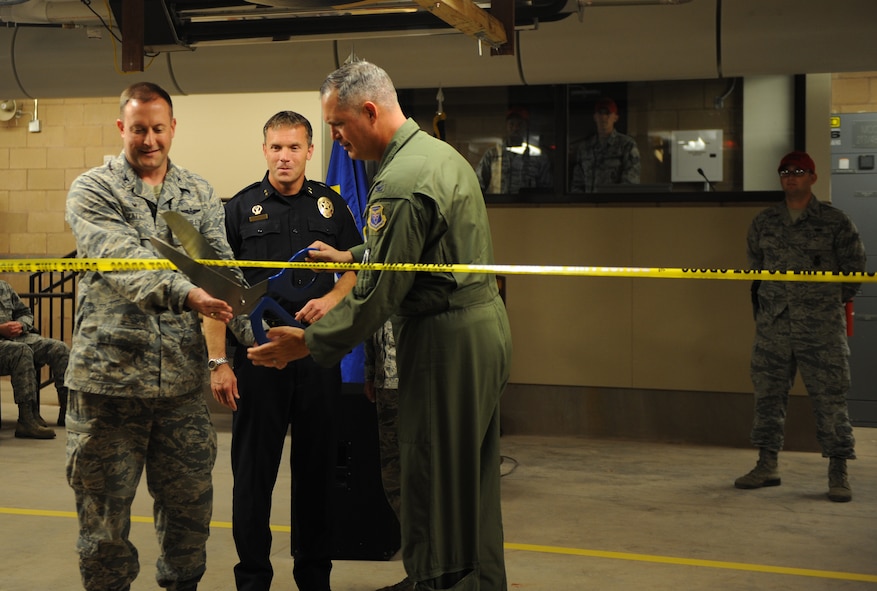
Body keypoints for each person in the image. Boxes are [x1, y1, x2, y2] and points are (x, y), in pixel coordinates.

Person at [247, 61, 513, 591]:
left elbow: (378, 298)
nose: (337, 139)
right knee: (470, 478)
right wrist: (353, 251)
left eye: (339, 125)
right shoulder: (436, 156)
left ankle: (435, 580)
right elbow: (417, 245)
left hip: (444, 340)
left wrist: (310, 342)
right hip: (479, 329)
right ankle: (473, 581)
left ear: (369, 111)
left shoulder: (398, 181)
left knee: (430, 473)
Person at [64, 81, 237, 591]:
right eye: (138, 129)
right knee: (103, 526)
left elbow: (221, 268)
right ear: (122, 127)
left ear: (173, 128)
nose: (149, 140)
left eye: (158, 129)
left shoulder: (199, 192)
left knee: (189, 514)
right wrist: (187, 293)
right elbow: (121, 258)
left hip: (180, 389)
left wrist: (260, 322)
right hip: (107, 386)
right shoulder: (93, 189)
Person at [204, 110, 362, 591]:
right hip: (259, 360)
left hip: (315, 358)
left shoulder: (332, 206)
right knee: (253, 476)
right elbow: (216, 291)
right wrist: (218, 363)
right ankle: (253, 579)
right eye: (276, 147)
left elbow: (358, 266)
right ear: (265, 149)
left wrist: (333, 298)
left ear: (310, 151)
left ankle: (315, 579)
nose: (284, 156)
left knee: (316, 476)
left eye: (294, 147)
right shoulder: (239, 209)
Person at [736, 151, 865, 503]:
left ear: (813, 177)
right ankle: (767, 465)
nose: (791, 177)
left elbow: (854, 271)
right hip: (774, 324)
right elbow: (756, 269)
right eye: (785, 172)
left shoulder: (835, 222)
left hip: (820, 327)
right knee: (767, 396)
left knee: (830, 399)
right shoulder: (765, 222)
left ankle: (838, 471)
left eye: (799, 171)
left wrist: (822, 304)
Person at [365, 320, 411, 591]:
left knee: (422, 482)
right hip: (387, 383)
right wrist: (371, 372)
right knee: (394, 480)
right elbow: (373, 317)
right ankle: (419, 571)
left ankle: (432, 573)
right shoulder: (377, 276)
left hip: (415, 381)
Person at [0, 279, 68, 437]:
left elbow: (25, 313)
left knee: (59, 349)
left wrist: (21, 325)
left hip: (16, 338)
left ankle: (67, 410)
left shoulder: (4, 286)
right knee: (21, 352)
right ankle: (27, 418)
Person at [475, 106, 552, 194]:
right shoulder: (492, 154)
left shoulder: (537, 156)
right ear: (506, 126)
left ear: (526, 127)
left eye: (519, 124)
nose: (515, 128)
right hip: (498, 205)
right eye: (511, 124)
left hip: (529, 206)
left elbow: (546, 189)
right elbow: (478, 184)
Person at [570, 97, 641, 193]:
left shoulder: (626, 145)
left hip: (614, 205)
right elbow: (577, 183)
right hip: (589, 205)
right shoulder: (585, 148)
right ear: (595, 117)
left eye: (607, 113)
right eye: (600, 113)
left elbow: (630, 182)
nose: (603, 117)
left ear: (615, 117)